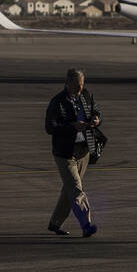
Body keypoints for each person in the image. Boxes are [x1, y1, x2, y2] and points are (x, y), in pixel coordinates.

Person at [44, 68, 100, 238]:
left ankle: (55, 223)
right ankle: (86, 224)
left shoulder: (86, 95)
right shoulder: (58, 102)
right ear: (67, 83)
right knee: (76, 189)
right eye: (76, 86)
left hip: (84, 151)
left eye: (81, 85)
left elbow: (96, 110)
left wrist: (97, 119)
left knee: (69, 190)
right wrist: (72, 127)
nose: (79, 89)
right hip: (65, 153)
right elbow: (50, 127)